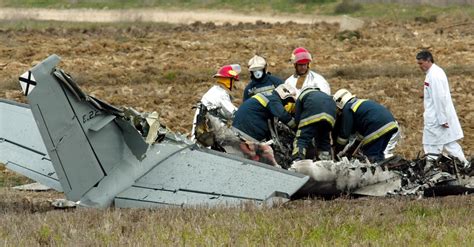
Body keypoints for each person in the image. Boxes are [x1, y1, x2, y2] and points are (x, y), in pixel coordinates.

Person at [416, 50, 469, 167]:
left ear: (428, 60)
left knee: (431, 145)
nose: (419, 66)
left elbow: (439, 99)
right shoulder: (434, 73)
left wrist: (442, 119)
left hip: (436, 119)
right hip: (437, 117)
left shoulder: (434, 75)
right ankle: (466, 165)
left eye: (421, 63)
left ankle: (430, 169)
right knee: (449, 144)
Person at [333, 89, 399, 163]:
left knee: (370, 156)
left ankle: (374, 173)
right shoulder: (360, 104)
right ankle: (384, 171)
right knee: (379, 154)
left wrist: (337, 151)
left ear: (339, 103)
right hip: (390, 123)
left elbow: (344, 135)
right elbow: (360, 136)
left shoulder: (347, 108)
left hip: (377, 125)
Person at [191, 64, 241, 143]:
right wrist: (246, 114)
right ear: (228, 81)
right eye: (234, 81)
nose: (234, 84)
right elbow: (232, 113)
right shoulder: (220, 94)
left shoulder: (215, 91)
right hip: (206, 138)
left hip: (204, 135)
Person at [232, 84, 297, 142]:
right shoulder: (274, 100)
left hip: (240, 128)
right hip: (248, 133)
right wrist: (297, 128)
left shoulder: (268, 95)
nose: (287, 103)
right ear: (284, 95)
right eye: (288, 100)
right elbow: (283, 115)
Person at [292, 86, 337, 161]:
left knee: (302, 138)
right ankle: (325, 161)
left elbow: (297, 116)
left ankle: (298, 158)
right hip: (330, 118)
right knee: (324, 140)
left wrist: (297, 127)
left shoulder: (302, 95)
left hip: (313, 114)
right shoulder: (326, 96)